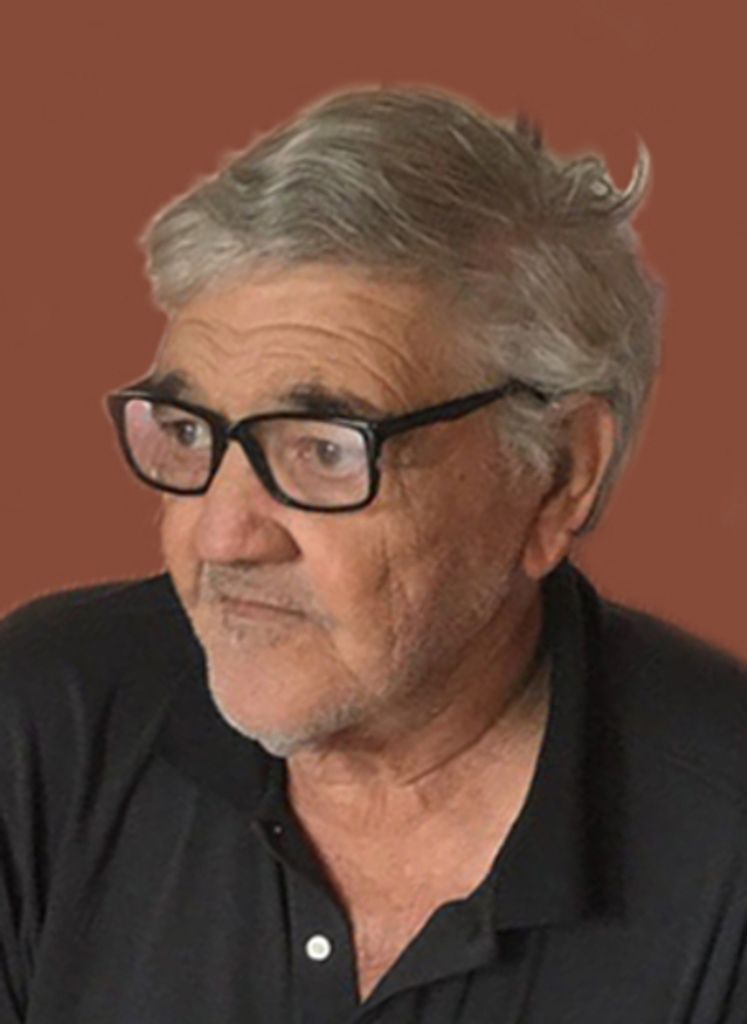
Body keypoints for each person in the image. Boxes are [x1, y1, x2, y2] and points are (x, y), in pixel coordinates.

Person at [2, 86, 746, 1024]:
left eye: (323, 449)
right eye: (190, 432)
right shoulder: (46, 721)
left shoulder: (725, 856)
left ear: (558, 475)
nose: (221, 536)